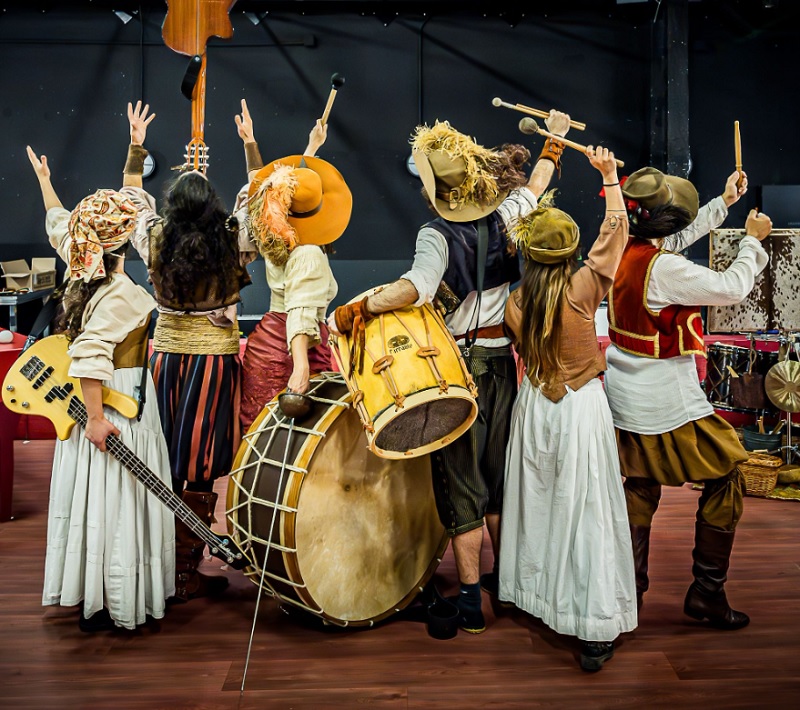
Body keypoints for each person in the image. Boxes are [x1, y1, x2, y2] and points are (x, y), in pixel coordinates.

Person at [330, 113, 571, 634]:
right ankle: (506, 589)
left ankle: (469, 604)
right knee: (499, 482)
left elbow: (415, 289)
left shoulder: (435, 235)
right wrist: (553, 143)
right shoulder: (508, 216)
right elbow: (534, 186)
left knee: (464, 485)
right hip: (506, 363)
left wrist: (362, 308)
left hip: (461, 371)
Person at [603, 166, 773, 629]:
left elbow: (675, 238)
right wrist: (752, 241)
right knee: (728, 475)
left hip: (623, 395)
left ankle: (627, 601)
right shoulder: (666, 269)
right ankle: (706, 593)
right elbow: (731, 288)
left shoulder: (622, 246)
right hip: (666, 400)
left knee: (639, 485)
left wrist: (724, 203)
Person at [27, 146, 175, 631]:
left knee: (95, 497)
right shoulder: (122, 296)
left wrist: (46, 181)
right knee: (118, 502)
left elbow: (58, 223)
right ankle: (116, 600)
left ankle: (94, 591)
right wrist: (95, 418)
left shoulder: (78, 264)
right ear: (119, 244)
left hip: (92, 407)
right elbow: (91, 354)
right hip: (115, 407)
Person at [499, 146, 636, 671]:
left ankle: (537, 598)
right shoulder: (583, 289)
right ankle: (591, 623)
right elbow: (615, 233)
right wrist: (609, 177)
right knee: (587, 510)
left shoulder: (515, 303)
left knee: (541, 503)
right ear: (570, 253)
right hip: (580, 409)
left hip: (535, 407)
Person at [120, 101, 255, 603]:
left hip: (166, 361)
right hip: (213, 365)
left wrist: (137, 145)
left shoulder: (156, 238)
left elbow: (131, 199)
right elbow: (257, 200)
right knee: (197, 463)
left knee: (163, 458)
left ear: (172, 209)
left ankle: (165, 561)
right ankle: (183, 568)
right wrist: (249, 143)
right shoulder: (230, 238)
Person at [237, 106, 350, 432]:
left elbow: (270, 192)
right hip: (291, 350)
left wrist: (253, 143)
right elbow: (301, 313)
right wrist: (300, 368)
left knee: (259, 433)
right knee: (292, 440)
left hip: (267, 340)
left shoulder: (274, 230)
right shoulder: (310, 252)